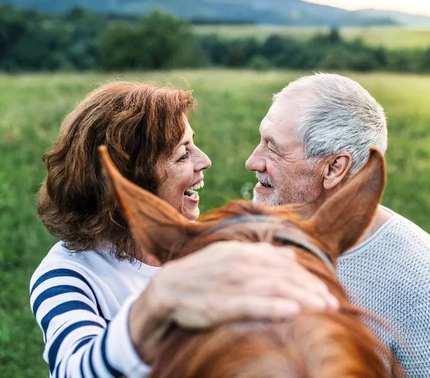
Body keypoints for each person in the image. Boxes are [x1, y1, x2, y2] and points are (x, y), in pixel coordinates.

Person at [30, 82, 339, 377]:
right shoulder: (66, 274)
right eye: (183, 153)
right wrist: (156, 304)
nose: (204, 161)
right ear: (133, 180)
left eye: (194, 145)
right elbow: (72, 368)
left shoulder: (207, 246)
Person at [245, 73, 430, 377]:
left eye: (273, 147)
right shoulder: (253, 235)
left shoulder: (421, 282)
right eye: (261, 140)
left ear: (334, 168)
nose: (252, 160)